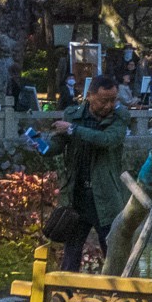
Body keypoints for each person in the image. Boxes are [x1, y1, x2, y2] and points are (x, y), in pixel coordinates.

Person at [50, 75, 130, 272]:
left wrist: (73, 130)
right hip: (76, 195)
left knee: (112, 251)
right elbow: (58, 144)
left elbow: (107, 140)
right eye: (104, 100)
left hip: (105, 196)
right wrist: (41, 146)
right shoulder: (73, 115)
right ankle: (65, 297)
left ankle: (117, 298)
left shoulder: (119, 117)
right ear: (89, 96)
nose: (109, 105)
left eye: (113, 100)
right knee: (71, 252)